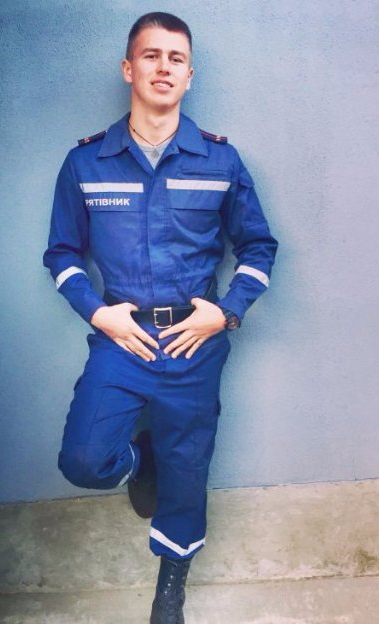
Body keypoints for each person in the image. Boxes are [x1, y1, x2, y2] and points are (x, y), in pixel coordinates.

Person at [43, 11, 278, 623]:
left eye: (176, 58)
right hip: (121, 341)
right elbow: (62, 253)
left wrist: (225, 314)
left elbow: (258, 247)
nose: (163, 67)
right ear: (129, 68)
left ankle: (170, 586)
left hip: (193, 343)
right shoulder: (87, 163)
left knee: (187, 467)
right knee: (84, 462)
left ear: (190, 75)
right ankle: (137, 460)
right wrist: (99, 315)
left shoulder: (220, 160)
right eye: (151, 55)